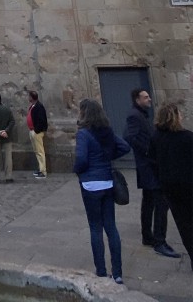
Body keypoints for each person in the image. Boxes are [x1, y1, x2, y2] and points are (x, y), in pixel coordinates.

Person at [73, 98, 131, 284]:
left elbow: (81, 159)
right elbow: (124, 146)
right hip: (107, 182)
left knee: (95, 228)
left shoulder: (84, 134)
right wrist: (106, 157)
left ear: (84, 113)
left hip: (90, 184)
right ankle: (118, 273)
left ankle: (101, 271)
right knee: (111, 227)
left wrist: (78, 170)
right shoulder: (106, 131)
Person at [123, 88, 180, 258]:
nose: (149, 99)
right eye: (145, 97)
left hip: (149, 167)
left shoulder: (142, 114)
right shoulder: (134, 115)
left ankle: (147, 236)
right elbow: (129, 136)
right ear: (137, 99)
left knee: (148, 202)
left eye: (148, 96)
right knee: (161, 204)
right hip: (150, 167)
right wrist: (148, 152)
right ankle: (159, 241)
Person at [149, 103, 193, 271]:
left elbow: (152, 161)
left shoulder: (156, 137)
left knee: (185, 226)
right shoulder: (187, 137)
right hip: (189, 186)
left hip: (170, 188)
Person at [27, 90, 48, 178]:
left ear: (31, 97)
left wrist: (36, 130)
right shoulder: (33, 106)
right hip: (33, 131)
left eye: (29, 96)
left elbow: (41, 120)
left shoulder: (39, 106)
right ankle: (40, 168)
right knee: (37, 151)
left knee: (40, 151)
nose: (28, 98)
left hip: (37, 132)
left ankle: (43, 171)